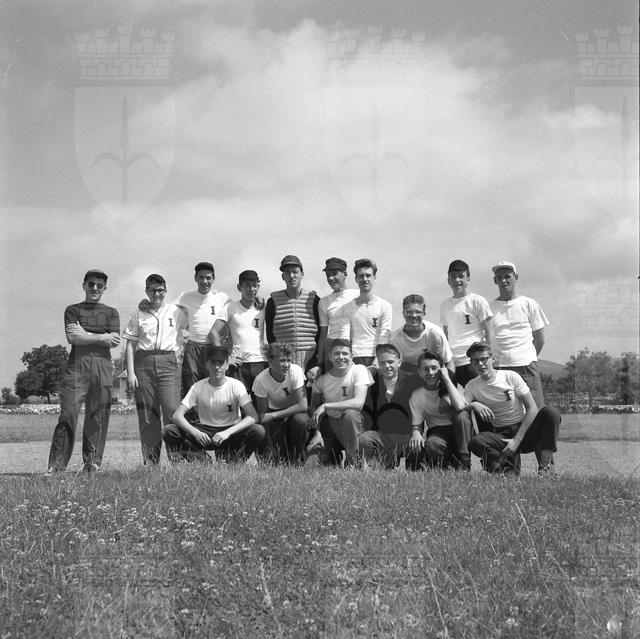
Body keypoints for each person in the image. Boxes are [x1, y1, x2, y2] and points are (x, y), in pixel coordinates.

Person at [47, 269, 120, 474]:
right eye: (91, 284)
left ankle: (92, 463)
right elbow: (73, 337)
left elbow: (115, 340)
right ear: (84, 286)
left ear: (105, 288)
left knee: (97, 415)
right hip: (77, 364)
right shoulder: (72, 310)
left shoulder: (112, 312)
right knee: (68, 413)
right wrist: (101, 337)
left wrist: (85, 333)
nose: (95, 288)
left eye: (99, 285)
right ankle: (56, 465)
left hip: (103, 365)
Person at [462, 342, 561, 474]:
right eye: (475, 361)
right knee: (477, 441)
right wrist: (474, 404)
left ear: (492, 359)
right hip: (502, 435)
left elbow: (532, 408)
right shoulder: (472, 386)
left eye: (483, 359)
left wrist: (516, 440)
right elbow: (460, 406)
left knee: (551, 412)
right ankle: (502, 469)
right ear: (471, 364)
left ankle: (545, 468)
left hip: (525, 431)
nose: (480, 364)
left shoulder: (510, 376)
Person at [122, 274, 186, 465]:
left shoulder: (176, 311)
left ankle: (176, 458)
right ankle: (151, 461)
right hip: (144, 363)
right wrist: (130, 372)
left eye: (160, 290)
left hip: (168, 361)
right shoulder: (138, 314)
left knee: (172, 412)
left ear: (165, 291)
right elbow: (130, 345)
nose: (156, 294)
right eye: (152, 290)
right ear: (146, 291)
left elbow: (198, 320)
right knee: (148, 414)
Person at [163, 346, 265, 463]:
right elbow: (177, 416)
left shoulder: (236, 385)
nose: (217, 367)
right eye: (213, 363)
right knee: (169, 431)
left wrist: (227, 432)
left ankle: (233, 461)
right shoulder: (197, 387)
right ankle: (201, 460)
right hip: (205, 432)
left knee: (258, 431)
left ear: (227, 365)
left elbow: (253, 416)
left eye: (221, 363)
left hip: (230, 431)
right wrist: (196, 433)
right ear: (207, 364)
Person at [490, 261, 549, 408]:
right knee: (507, 411)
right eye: (499, 277)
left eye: (507, 276)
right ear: (495, 280)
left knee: (535, 410)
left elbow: (540, 339)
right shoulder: (490, 308)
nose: (504, 281)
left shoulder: (529, 304)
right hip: (500, 367)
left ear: (516, 278)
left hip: (526, 366)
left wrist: (527, 357)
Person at [358, 343, 422, 469]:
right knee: (364, 439)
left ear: (399, 362)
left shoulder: (412, 381)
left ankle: (411, 470)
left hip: (406, 436)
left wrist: (417, 432)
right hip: (380, 435)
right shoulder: (371, 383)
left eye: (391, 362)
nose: (387, 366)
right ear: (378, 364)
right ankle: (374, 466)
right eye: (382, 363)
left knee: (418, 445)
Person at [311, 339, 373, 467]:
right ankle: (334, 456)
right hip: (330, 426)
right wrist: (317, 433)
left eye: (345, 353)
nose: (341, 357)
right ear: (330, 357)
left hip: (353, 426)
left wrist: (326, 406)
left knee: (350, 414)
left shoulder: (359, 370)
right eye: (337, 354)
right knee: (311, 464)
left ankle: (353, 460)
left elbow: (358, 403)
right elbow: (314, 408)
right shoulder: (320, 378)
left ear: (352, 356)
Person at [408, 350, 472, 470]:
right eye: (426, 369)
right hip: (438, 431)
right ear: (420, 372)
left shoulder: (454, 385)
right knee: (433, 444)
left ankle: (464, 461)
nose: (430, 373)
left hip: (459, 430)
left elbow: (459, 406)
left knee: (461, 415)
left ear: (442, 369)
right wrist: (416, 432)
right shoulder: (417, 395)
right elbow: (417, 423)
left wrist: (446, 378)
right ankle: (443, 468)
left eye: (434, 368)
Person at [252, 342, 313, 465]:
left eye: (289, 360)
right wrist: (270, 446)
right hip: (275, 419)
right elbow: (263, 417)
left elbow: (303, 405)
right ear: (270, 361)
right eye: (282, 361)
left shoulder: (295, 370)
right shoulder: (260, 380)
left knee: (301, 420)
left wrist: (273, 415)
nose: (286, 365)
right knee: (280, 459)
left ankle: (298, 457)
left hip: (295, 413)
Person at [175, 261, 230, 395]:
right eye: (201, 277)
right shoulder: (185, 296)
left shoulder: (222, 297)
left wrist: (256, 300)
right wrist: (147, 304)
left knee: (215, 389)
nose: (204, 281)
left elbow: (238, 311)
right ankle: (193, 409)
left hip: (214, 347)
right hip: (193, 349)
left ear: (214, 279)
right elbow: (168, 311)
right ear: (195, 278)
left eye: (208, 278)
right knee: (191, 389)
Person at [210, 270, 267, 394]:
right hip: (239, 365)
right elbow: (213, 332)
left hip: (261, 362)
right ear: (239, 287)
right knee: (238, 402)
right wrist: (224, 358)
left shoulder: (263, 307)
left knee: (261, 403)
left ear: (258, 287)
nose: (251, 289)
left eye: (254, 285)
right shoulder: (230, 307)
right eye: (247, 286)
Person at [440, 259, 493, 386]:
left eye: (461, 276)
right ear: (448, 280)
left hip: (474, 362)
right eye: (453, 277)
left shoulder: (478, 301)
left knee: (479, 396)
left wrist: (489, 358)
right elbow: (446, 335)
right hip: (453, 363)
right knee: (457, 397)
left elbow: (490, 332)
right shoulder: (445, 304)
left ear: (468, 279)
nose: (457, 280)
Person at [265, 255, 320, 371]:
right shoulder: (272, 302)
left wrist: (318, 364)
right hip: (283, 363)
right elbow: (270, 335)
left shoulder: (314, 300)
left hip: (311, 363)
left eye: (295, 272)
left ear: (302, 274)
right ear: (282, 276)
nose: (291, 276)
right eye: (287, 273)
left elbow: (321, 333)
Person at [334, 258, 392, 365]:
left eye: (368, 275)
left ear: (374, 277)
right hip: (354, 358)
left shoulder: (385, 306)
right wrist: (350, 361)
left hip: (377, 358)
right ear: (356, 279)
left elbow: (385, 336)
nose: (365, 279)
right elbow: (344, 337)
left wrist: (376, 362)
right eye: (361, 276)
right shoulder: (346, 308)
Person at [391, 294, 454, 375]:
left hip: (431, 374)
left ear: (424, 313)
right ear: (403, 313)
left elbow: (449, 362)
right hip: (406, 376)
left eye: (418, 312)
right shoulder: (394, 338)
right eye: (409, 312)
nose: (414, 315)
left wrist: (448, 380)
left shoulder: (436, 333)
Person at [317, 257, 358, 371]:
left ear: (345, 274)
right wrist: (320, 363)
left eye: (334, 274)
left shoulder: (357, 295)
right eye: (328, 275)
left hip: (355, 351)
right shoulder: (324, 302)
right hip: (333, 350)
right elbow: (323, 335)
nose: (331, 278)